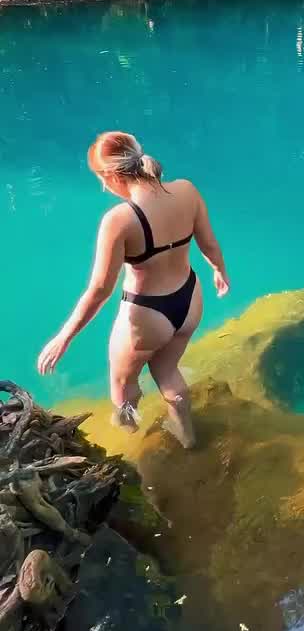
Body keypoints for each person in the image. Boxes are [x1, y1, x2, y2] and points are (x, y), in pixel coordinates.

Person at [37, 132, 229, 448]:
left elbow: (99, 290)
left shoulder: (120, 220)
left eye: (101, 178)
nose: (102, 187)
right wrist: (219, 271)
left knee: (122, 384)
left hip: (148, 315)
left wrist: (64, 337)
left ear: (112, 175)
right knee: (167, 372)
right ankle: (187, 435)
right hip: (190, 300)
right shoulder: (186, 190)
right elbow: (209, 243)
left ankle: (131, 442)